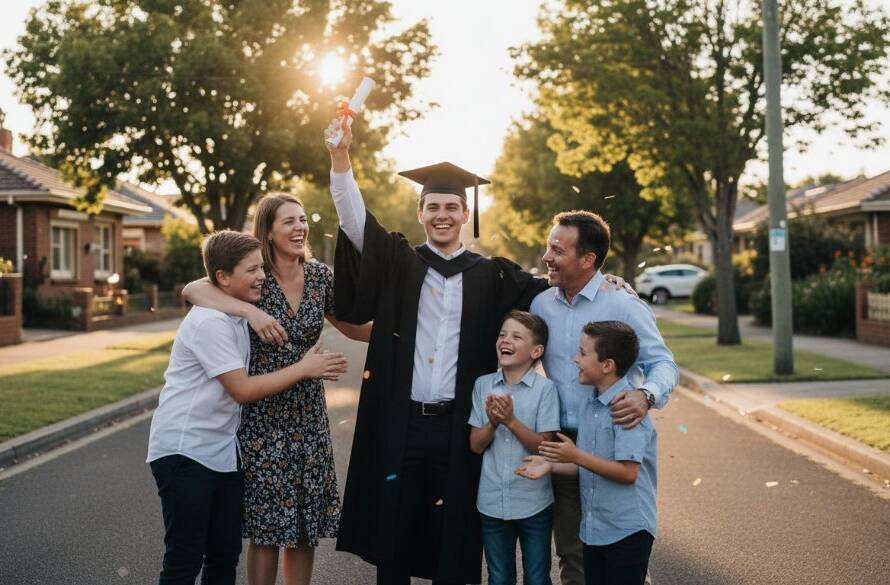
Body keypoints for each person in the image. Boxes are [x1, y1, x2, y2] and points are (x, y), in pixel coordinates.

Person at [325, 120, 550, 584]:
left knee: (456, 538)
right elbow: (353, 219)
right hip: (402, 423)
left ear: (466, 214)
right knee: (395, 538)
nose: (442, 214)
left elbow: (552, 296)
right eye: (433, 206)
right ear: (420, 211)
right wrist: (340, 159)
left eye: (451, 206)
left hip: (459, 428)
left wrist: (604, 282)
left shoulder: (493, 276)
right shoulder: (400, 262)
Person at [181, 195, 370, 585]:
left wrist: (404, 331)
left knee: (303, 529)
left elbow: (349, 325)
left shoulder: (319, 276)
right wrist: (251, 310)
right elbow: (193, 290)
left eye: (303, 220)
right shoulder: (254, 274)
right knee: (267, 530)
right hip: (262, 416)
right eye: (289, 222)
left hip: (309, 416)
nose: (300, 228)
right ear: (267, 230)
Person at [147, 230, 348, 585]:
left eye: (262, 268)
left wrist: (247, 309)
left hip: (223, 453)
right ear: (223, 278)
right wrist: (304, 369)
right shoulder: (210, 322)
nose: (262, 277)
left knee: (224, 558)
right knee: (184, 559)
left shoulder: (240, 311)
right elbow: (241, 389)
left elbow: (201, 288)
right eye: (252, 270)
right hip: (185, 451)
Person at [529, 211, 677, 585]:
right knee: (574, 555)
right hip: (564, 442)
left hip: (614, 442)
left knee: (621, 550)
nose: (546, 257)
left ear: (588, 260)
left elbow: (663, 364)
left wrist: (646, 395)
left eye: (556, 250)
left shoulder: (623, 305)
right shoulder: (541, 304)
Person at [517, 321, 657, 585]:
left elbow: (628, 472)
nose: (575, 359)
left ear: (607, 365)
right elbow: (591, 464)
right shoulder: (590, 405)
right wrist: (551, 466)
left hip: (627, 530)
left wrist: (575, 455)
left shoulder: (627, 408)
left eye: (582, 353)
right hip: (595, 530)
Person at [469, 310, 560, 585]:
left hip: (533, 502)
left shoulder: (545, 390)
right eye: (502, 334)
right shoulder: (483, 385)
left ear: (536, 351)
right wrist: (493, 424)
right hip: (492, 500)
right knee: (499, 577)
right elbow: (475, 445)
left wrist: (510, 421)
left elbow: (546, 446)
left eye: (516, 336)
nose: (505, 340)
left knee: (536, 576)